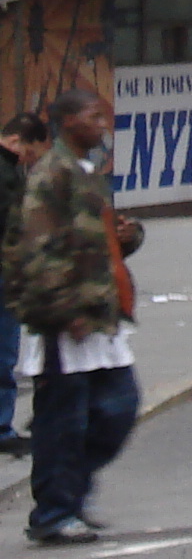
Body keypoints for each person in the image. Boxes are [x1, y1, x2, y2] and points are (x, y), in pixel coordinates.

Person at [7, 90, 143, 545]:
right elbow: (37, 247)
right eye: (93, 117)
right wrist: (63, 309)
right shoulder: (51, 174)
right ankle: (54, 511)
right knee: (64, 422)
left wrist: (128, 236)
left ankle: (69, 493)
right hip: (65, 321)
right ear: (67, 123)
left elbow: (94, 236)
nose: (103, 124)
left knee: (118, 409)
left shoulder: (88, 172)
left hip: (101, 315)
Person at [0, 113, 48, 459]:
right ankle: (2, 428)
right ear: (18, 140)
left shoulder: (11, 170)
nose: (30, 160)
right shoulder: (6, 172)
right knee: (4, 353)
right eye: (31, 151)